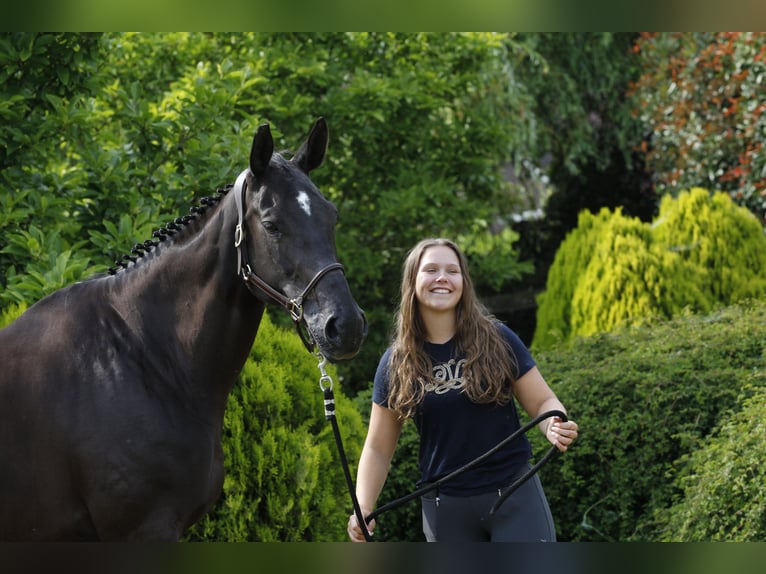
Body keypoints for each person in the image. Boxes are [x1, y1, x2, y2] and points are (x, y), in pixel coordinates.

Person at [347, 238, 578, 542]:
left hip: (514, 497)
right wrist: (363, 505)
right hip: (445, 511)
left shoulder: (498, 339)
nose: (442, 277)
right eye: (431, 270)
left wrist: (553, 423)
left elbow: (543, 401)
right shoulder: (396, 363)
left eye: (452, 271)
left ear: (463, 283)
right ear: (412, 282)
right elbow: (378, 449)